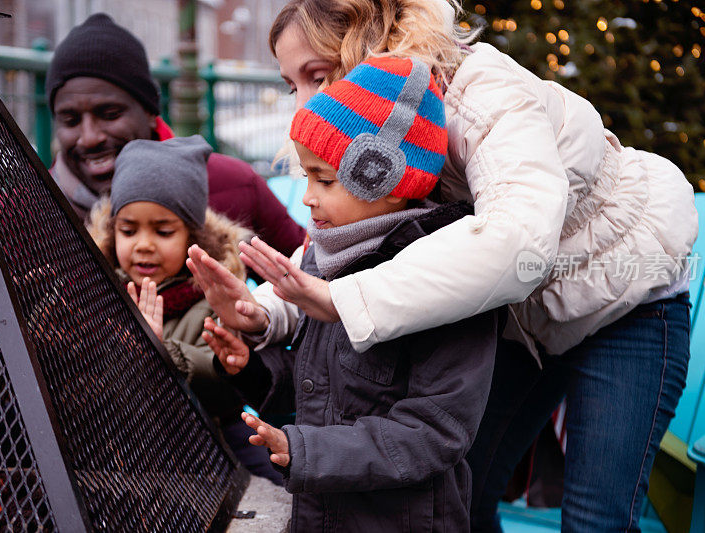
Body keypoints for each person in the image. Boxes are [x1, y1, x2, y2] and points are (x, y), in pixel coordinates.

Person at [192, 1, 699, 531]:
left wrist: (340, 301)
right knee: (468, 487)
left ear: (366, 41)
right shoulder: (370, 127)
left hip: (622, 300)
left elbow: (517, 241)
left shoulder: (479, 96)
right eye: (290, 84)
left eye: (317, 76)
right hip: (516, 317)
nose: (303, 102)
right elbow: (348, 247)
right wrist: (267, 310)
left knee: (597, 518)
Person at [194, 56, 499, 532]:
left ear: (385, 176)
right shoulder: (329, 253)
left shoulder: (449, 275)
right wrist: (252, 368)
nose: (308, 197)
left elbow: (434, 432)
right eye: (306, 175)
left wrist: (307, 451)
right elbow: (320, 384)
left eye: (325, 179)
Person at [88, 134, 282, 485]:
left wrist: (164, 353)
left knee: (275, 490)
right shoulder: (95, 289)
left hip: (210, 441)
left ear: (192, 237)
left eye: (163, 231)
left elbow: (224, 387)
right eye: (128, 230)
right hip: (120, 445)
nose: (143, 245)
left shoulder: (211, 301)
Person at [45, 13, 306, 259]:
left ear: (149, 111)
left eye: (110, 114)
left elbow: (308, 281)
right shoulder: (25, 211)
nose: (90, 138)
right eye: (70, 120)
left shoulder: (235, 185)